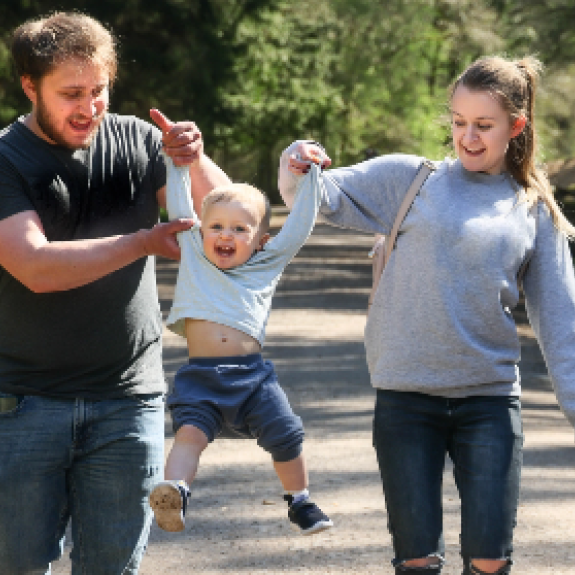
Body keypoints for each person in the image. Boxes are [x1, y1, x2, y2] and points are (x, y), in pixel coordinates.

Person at [278, 56, 575, 574]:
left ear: (516, 127)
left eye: (484, 125)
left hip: (488, 402)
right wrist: (297, 161)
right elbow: (314, 197)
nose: (468, 137)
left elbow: (561, 324)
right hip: (406, 400)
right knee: (416, 562)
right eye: (459, 122)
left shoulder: (532, 210)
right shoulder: (411, 180)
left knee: (488, 562)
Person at [0, 12, 231, 575]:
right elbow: (34, 266)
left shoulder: (138, 140)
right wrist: (145, 241)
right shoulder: (6, 158)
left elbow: (231, 222)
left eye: (98, 90)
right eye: (70, 94)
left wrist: (191, 160)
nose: (89, 107)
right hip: (22, 405)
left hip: (129, 404)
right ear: (30, 86)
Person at [148, 154, 333, 535]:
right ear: (201, 233)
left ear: (261, 241)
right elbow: (181, 207)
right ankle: (175, 493)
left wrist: (311, 177)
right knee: (188, 436)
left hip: (253, 380)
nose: (224, 235)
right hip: (200, 378)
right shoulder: (196, 257)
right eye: (215, 226)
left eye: (238, 229)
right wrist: (179, 164)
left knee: (287, 435)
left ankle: (299, 500)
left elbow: (299, 227)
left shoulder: (267, 264)